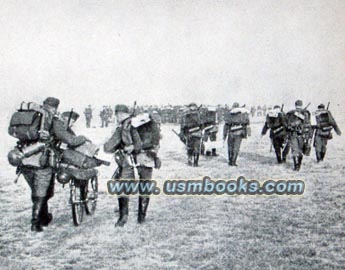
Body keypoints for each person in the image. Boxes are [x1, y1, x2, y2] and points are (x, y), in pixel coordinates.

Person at [104, 104, 153, 227]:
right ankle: (141, 218)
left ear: (120, 114)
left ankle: (123, 218)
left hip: (129, 160)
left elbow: (108, 147)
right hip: (147, 157)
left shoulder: (122, 128)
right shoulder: (143, 123)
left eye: (117, 115)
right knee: (145, 185)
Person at [286, 100, 311, 171]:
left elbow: (286, 124)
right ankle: (299, 165)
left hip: (293, 134)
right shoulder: (306, 113)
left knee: (294, 150)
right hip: (302, 135)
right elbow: (308, 125)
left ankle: (295, 166)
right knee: (300, 150)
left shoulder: (290, 113)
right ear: (301, 105)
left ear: (295, 105)